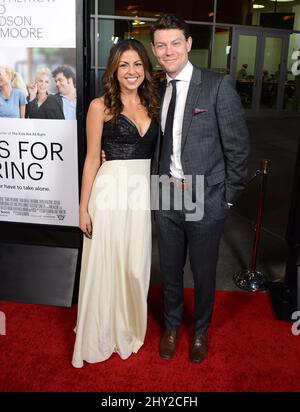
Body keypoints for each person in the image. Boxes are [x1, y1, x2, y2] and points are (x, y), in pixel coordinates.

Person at [150, 15, 250, 364]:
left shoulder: (216, 86)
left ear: (189, 44)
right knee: (170, 267)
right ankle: (173, 326)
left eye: (176, 42)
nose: (168, 50)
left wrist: (227, 197)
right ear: (154, 50)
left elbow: (238, 148)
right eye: (161, 44)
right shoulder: (157, 88)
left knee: (204, 270)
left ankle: (201, 331)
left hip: (204, 194)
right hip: (166, 190)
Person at [72, 39, 159, 367]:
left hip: (140, 197)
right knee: (107, 264)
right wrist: (83, 209)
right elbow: (92, 159)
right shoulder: (100, 106)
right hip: (109, 195)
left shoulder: (154, 104)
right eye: (124, 65)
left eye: (138, 64)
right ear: (114, 69)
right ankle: (102, 331)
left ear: (145, 69)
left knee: (134, 265)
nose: (132, 71)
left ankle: (128, 325)